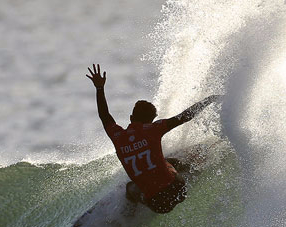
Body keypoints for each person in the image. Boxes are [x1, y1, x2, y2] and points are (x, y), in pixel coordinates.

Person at [88, 63, 220, 214]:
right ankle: (191, 168)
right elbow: (185, 116)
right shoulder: (153, 129)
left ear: (131, 118)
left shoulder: (118, 136)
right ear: (152, 120)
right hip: (179, 190)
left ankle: (128, 214)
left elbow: (105, 116)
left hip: (157, 206)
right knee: (170, 161)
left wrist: (99, 88)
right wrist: (209, 100)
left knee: (130, 188)